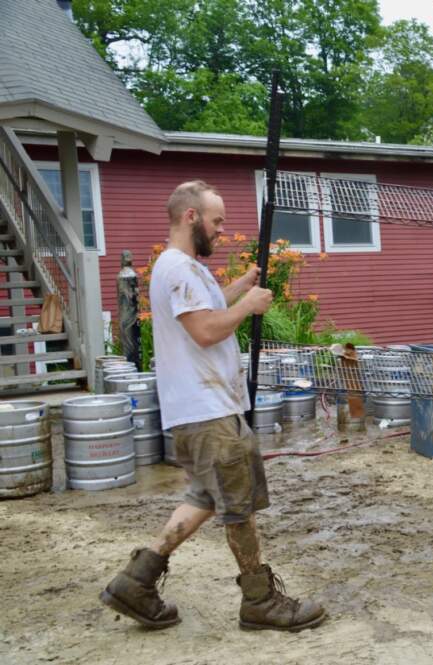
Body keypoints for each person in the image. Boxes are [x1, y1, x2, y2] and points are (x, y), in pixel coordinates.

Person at [99, 181, 326, 632]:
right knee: (238, 506)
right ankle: (259, 602)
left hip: (205, 408)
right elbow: (204, 330)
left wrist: (240, 286)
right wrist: (247, 305)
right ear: (190, 217)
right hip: (207, 412)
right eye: (216, 221)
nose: (221, 230)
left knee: (205, 496)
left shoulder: (185, 268)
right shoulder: (178, 268)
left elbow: (205, 307)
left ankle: (135, 581)